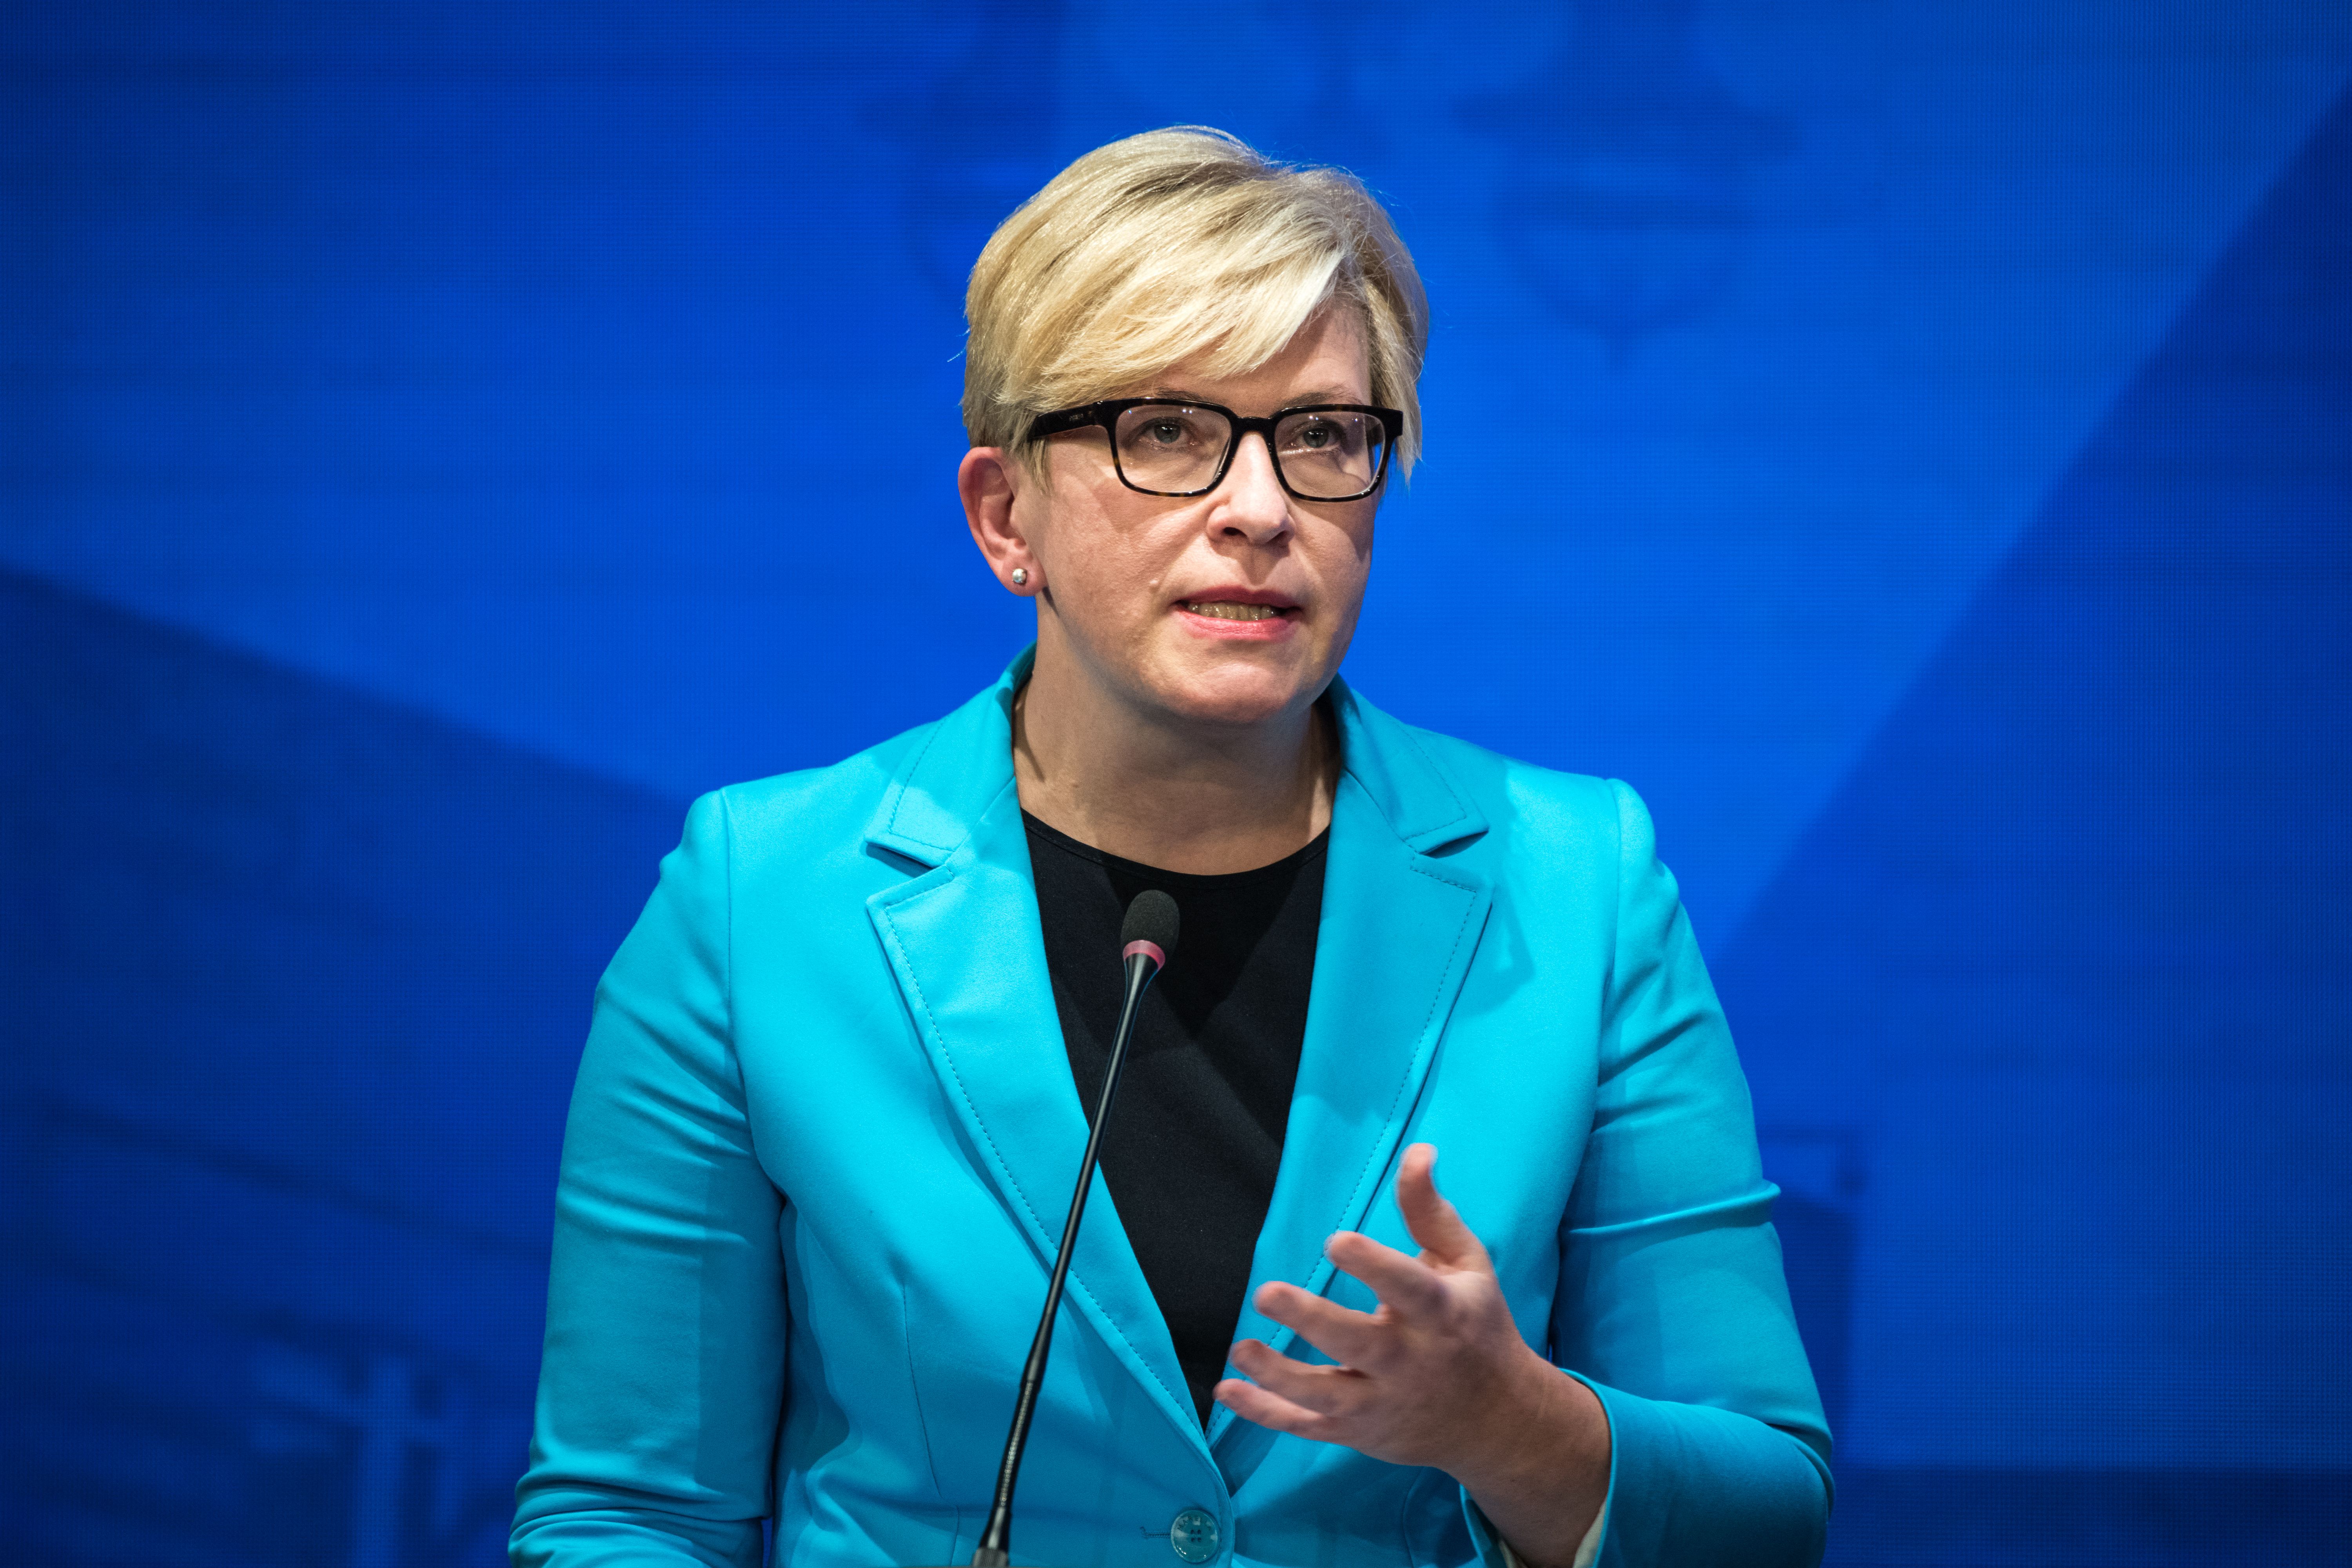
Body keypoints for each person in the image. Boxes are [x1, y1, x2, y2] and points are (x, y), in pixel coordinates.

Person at [510, 127, 1831, 1568]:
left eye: (1322, 438)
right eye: (1166, 432)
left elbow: (1765, 1507)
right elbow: (625, 1514)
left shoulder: (1578, 885)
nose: (1261, 510)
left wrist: (1513, 1424)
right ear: (1005, 516)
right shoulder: (763, 898)